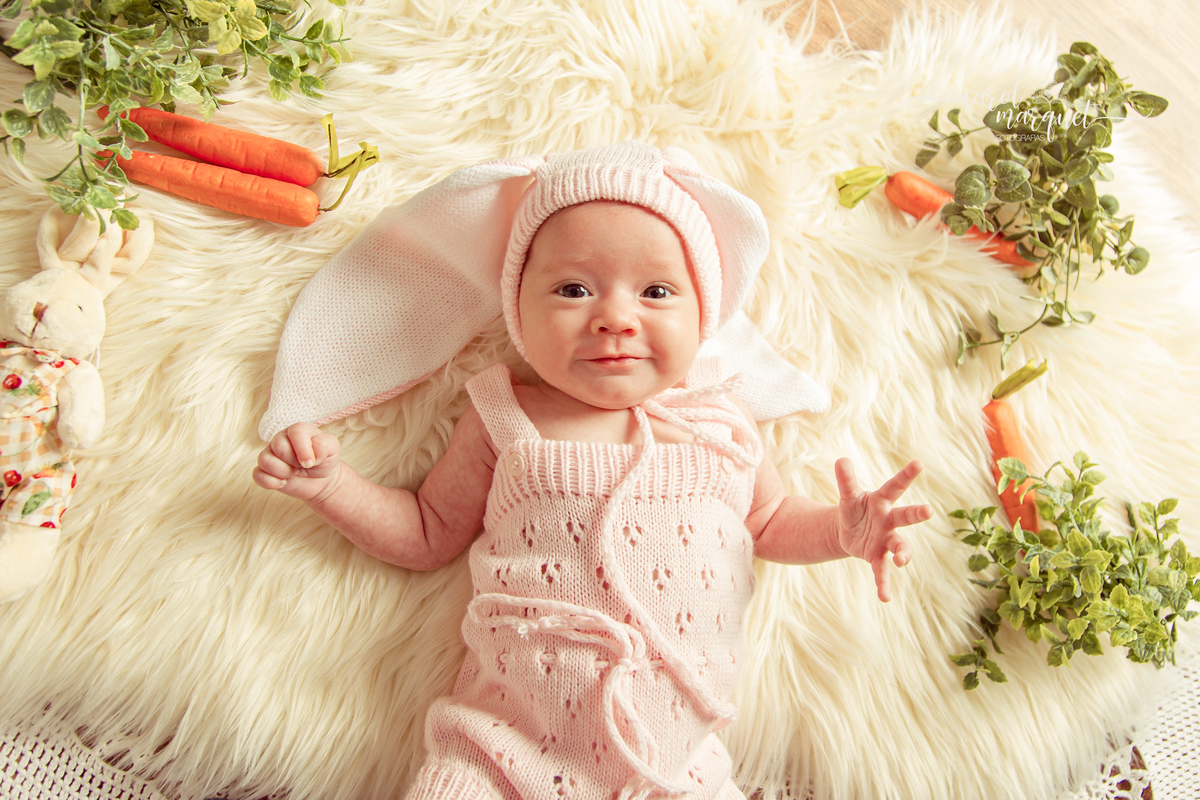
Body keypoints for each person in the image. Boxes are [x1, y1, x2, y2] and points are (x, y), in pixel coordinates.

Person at [253, 142, 932, 800]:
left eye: (657, 291)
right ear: (518, 309)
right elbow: (426, 533)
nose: (614, 318)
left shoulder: (722, 426)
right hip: (500, 755)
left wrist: (844, 531)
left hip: (674, 769)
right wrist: (332, 487)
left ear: (706, 318)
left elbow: (773, 522)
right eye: (574, 289)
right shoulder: (504, 415)